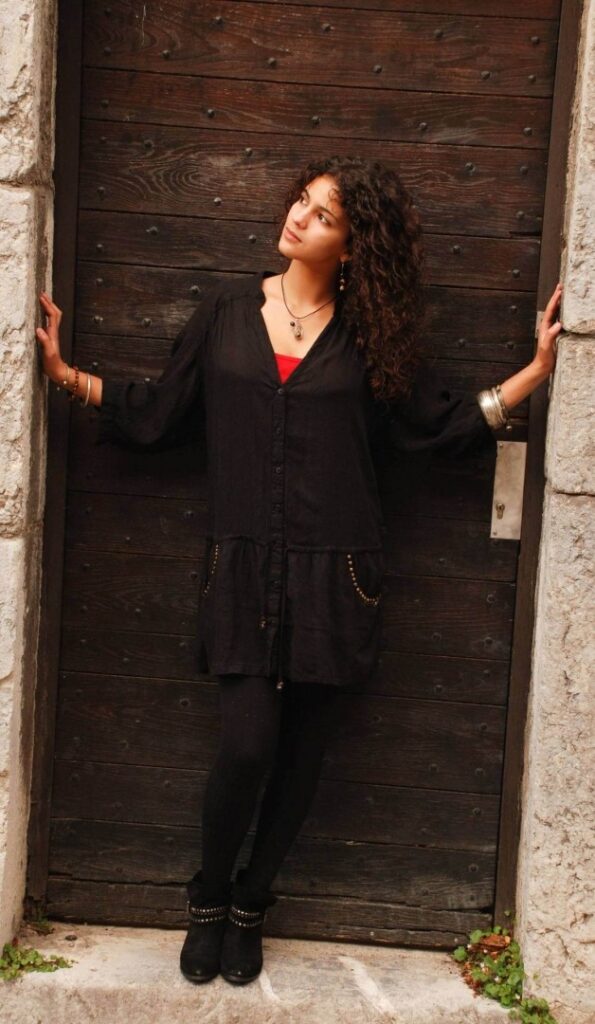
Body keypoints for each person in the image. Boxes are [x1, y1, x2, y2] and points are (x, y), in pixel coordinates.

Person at [36, 156, 563, 987]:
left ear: (351, 246)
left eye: (323, 216)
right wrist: (68, 377)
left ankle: (252, 904)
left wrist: (532, 373)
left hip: (337, 574)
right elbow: (162, 411)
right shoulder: (225, 313)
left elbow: (433, 427)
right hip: (243, 568)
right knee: (247, 744)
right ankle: (208, 899)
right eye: (302, 201)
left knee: (302, 754)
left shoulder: (369, 337)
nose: (299, 218)